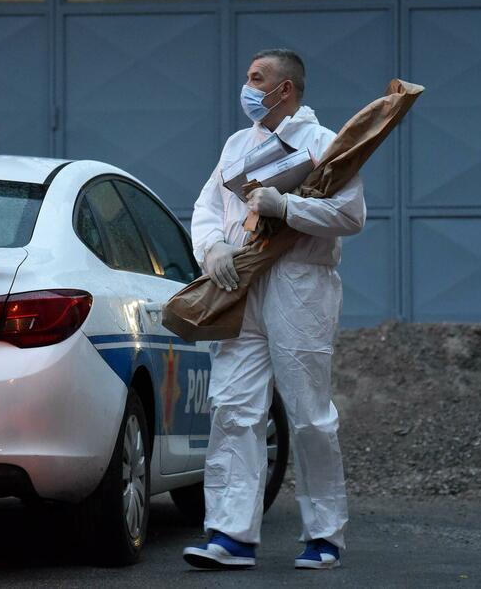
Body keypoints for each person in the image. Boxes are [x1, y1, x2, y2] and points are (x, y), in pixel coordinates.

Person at [181, 50, 365, 571]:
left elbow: (350, 215)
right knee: (234, 408)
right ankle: (231, 534)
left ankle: (324, 535)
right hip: (241, 283)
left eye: (256, 78)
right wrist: (212, 246)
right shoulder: (238, 145)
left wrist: (288, 208)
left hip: (300, 285)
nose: (248, 86)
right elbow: (207, 206)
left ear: (285, 89)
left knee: (307, 414)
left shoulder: (325, 144)